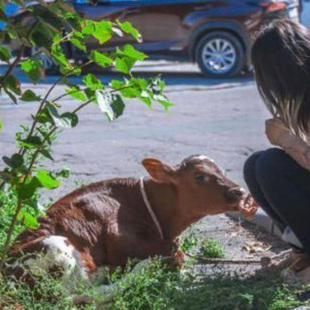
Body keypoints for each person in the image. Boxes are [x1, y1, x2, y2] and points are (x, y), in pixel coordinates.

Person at [243, 19, 310, 281]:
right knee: (256, 164)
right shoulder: (301, 99)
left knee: (270, 165)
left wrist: (289, 141)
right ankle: (302, 252)